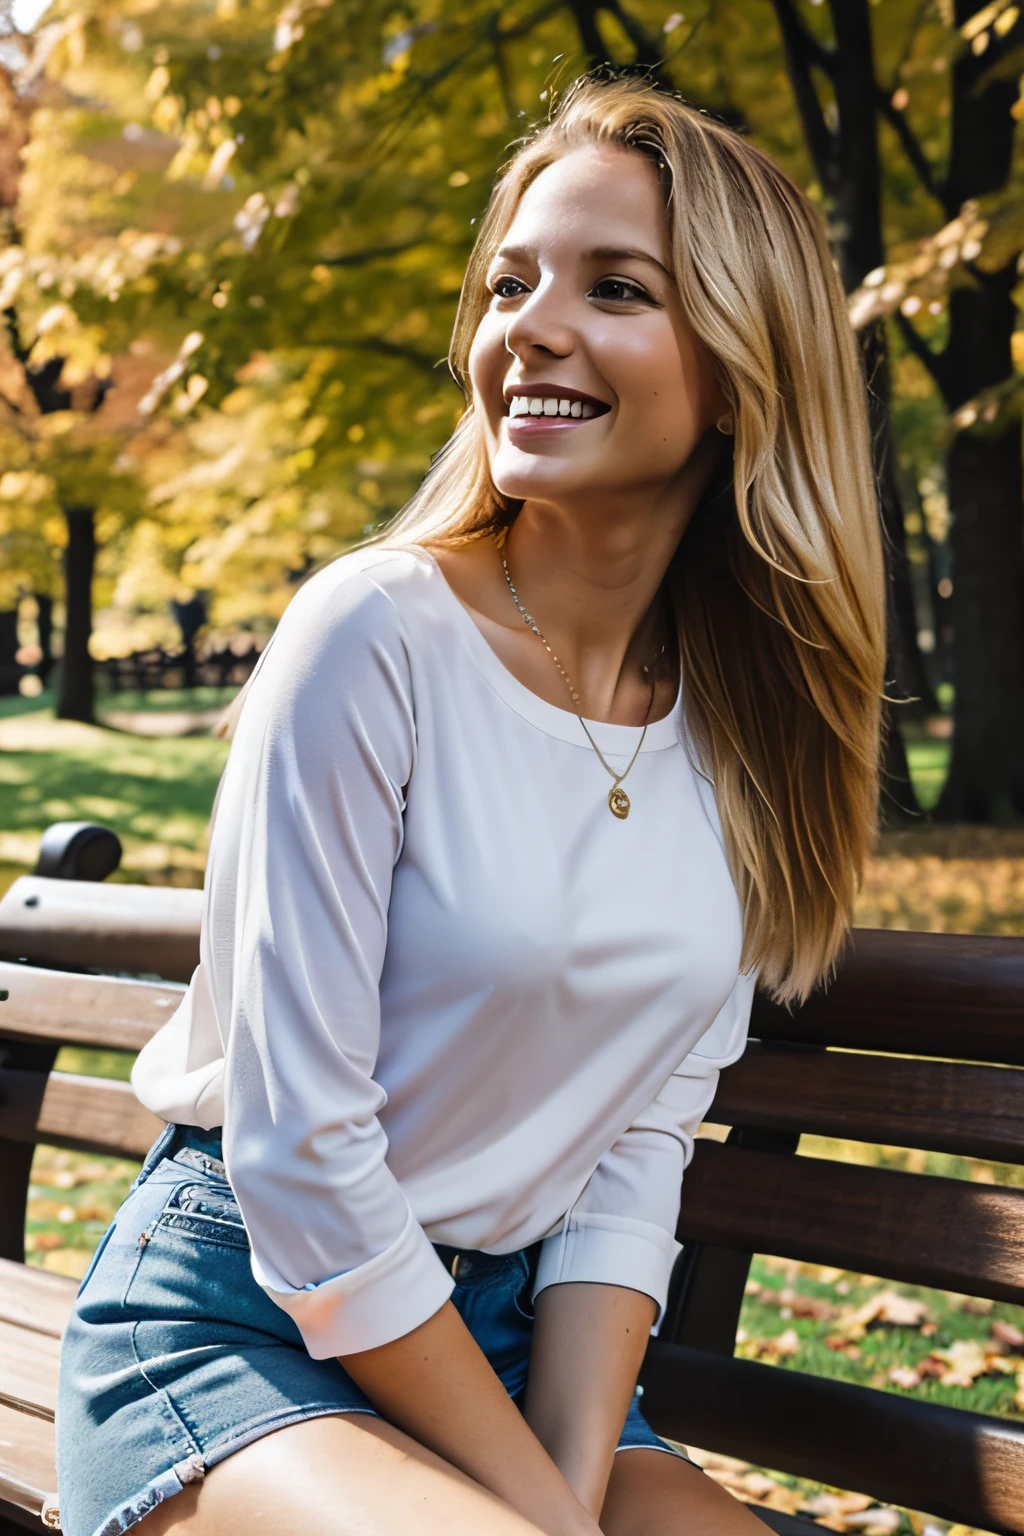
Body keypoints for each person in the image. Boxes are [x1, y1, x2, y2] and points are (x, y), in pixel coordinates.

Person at [55, 71, 885, 1536]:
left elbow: (638, 1155)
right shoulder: (373, 634)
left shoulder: (745, 742)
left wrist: (561, 1484)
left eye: (615, 287)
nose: (530, 328)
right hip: (241, 1322)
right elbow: (304, 1158)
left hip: (511, 1348)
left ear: (743, 373)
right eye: (511, 283)